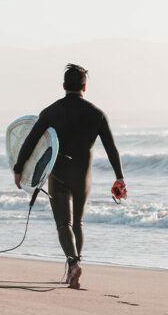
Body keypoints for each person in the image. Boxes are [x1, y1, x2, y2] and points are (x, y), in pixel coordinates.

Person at [13, 63, 126, 289]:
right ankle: (74, 265)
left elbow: (30, 142)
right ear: (84, 87)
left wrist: (19, 168)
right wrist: (119, 177)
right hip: (83, 176)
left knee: (63, 223)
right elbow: (111, 148)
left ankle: (73, 264)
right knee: (78, 223)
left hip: (58, 174)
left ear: (63, 86)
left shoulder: (50, 112)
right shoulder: (97, 114)